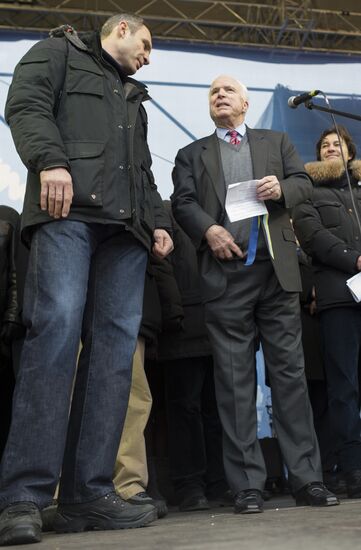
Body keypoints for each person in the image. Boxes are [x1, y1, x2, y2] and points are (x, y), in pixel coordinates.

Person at [0, 13, 173, 546]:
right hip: (66, 215)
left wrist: (158, 222)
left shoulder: (133, 97)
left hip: (127, 234)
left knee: (114, 361)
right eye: (145, 45)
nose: (148, 57)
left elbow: (142, 168)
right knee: (54, 338)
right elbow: (24, 107)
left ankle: (88, 494)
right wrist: (49, 161)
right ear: (121, 28)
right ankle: (24, 497)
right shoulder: (55, 53)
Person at [171, 74, 339, 514]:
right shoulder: (191, 154)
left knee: (290, 379)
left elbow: (303, 183)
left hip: (277, 272)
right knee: (233, 384)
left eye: (227, 90)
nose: (219, 95)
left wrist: (283, 188)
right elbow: (183, 203)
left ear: (245, 103)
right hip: (225, 276)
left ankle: (307, 478)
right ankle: (247, 484)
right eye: (212, 92)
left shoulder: (276, 141)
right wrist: (209, 230)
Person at [293, 125, 361, 498]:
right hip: (338, 297)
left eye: (338, 144)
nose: (332, 148)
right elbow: (314, 236)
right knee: (344, 386)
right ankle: (351, 467)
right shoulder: (308, 190)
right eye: (325, 145)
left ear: (350, 152)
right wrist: (356, 259)